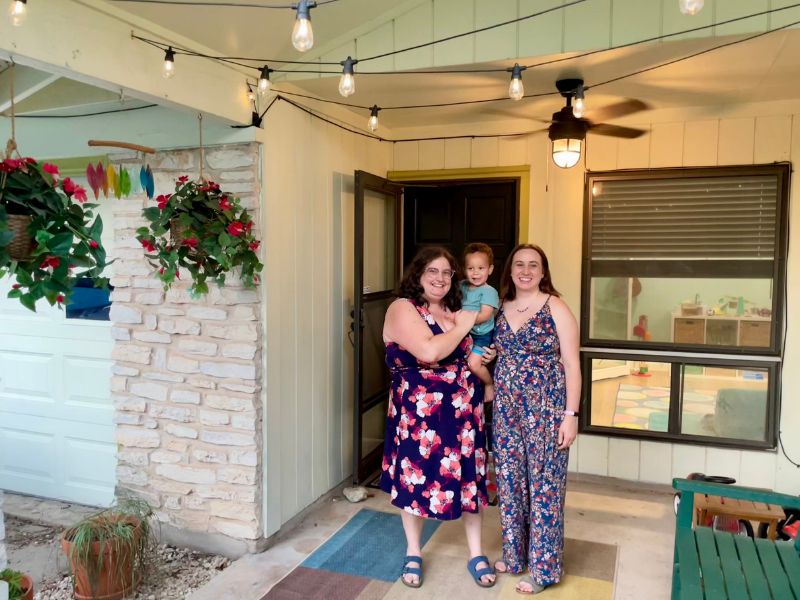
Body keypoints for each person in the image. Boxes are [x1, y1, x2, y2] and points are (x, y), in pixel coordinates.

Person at [379, 246, 497, 589]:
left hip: (464, 413)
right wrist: (462, 328)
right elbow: (429, 351)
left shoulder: (454, 310)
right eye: (433, 271)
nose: (440, 279)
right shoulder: (402, 308)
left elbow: (466, 352)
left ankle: (476, 553)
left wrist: (485, 355)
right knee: (415, 480)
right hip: (419, 418)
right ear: (417, 274)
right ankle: (413, 551)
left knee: (470, 482)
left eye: (447, 273)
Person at [491, 244, 580, 595]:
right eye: (519, 264)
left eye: (533, 265)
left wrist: (570, 416)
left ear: (543, 272)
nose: (525, 270)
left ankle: (544, 570)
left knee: (544, 487)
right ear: (510, 271)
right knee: (510, 481)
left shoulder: (555, 306)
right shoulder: (499, 307)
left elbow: (573, 364)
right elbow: (495, 350)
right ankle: (514, 556)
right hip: (507, 409)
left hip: (546, 407)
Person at [460, 243, 500, 403]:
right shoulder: (461, 286)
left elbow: (485, 315)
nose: (475, 273)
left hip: (482, 335)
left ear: (490, 269)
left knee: (474, 363)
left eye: (481, 268)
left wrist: (461, 319)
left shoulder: (489, 291)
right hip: (464, 332)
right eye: (471, 268)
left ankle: (489, 384)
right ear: (465, 270)